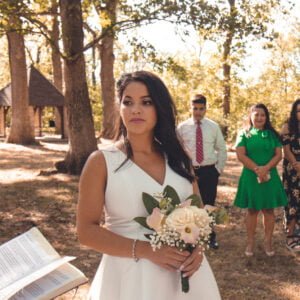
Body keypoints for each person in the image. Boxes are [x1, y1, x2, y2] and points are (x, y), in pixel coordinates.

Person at [77, 71, 221, 299]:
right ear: (119, 108)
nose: (136, 109)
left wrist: (198, 249)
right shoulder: (101, 162)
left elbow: (199, 214)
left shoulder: (179, 157)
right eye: (128, 102)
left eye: (146, 102)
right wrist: (146, 251)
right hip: (128, 280)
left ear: (159, 108)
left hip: (185, 279)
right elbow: (85, 231)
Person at [234, 103, 287, 257]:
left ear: (266, 117)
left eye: (262, 115)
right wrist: (257, 169)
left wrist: (266, 169)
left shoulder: (272, 134)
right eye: (256, 114)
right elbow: (241, 155)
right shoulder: (244, 133)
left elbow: (278, 154)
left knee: (269, 210)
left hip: (270, 176)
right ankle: (250, 242)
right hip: (251, 176)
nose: (259, 117)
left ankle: (268, 241)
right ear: (251, 116)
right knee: (252, 210)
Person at [177, 94, 227, 249]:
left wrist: (217, 170)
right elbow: (177, 150)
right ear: (190, 108)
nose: (198, 112)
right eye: (195, 108)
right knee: (189, 203)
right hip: (189, 172)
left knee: (208, 204)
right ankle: (190, 236)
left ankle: (210, 236)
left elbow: (222, 149)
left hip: (208, 171)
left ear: (205, 109)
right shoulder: (182, 128)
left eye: (201, 109)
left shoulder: (213, 127)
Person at [281, 98, 300, 252]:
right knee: (292, 201)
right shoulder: (287, 127)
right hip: (292, 170)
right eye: (298, 111)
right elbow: (286, 151)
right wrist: (297, 165)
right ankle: (290, 236)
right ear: (294, 112)